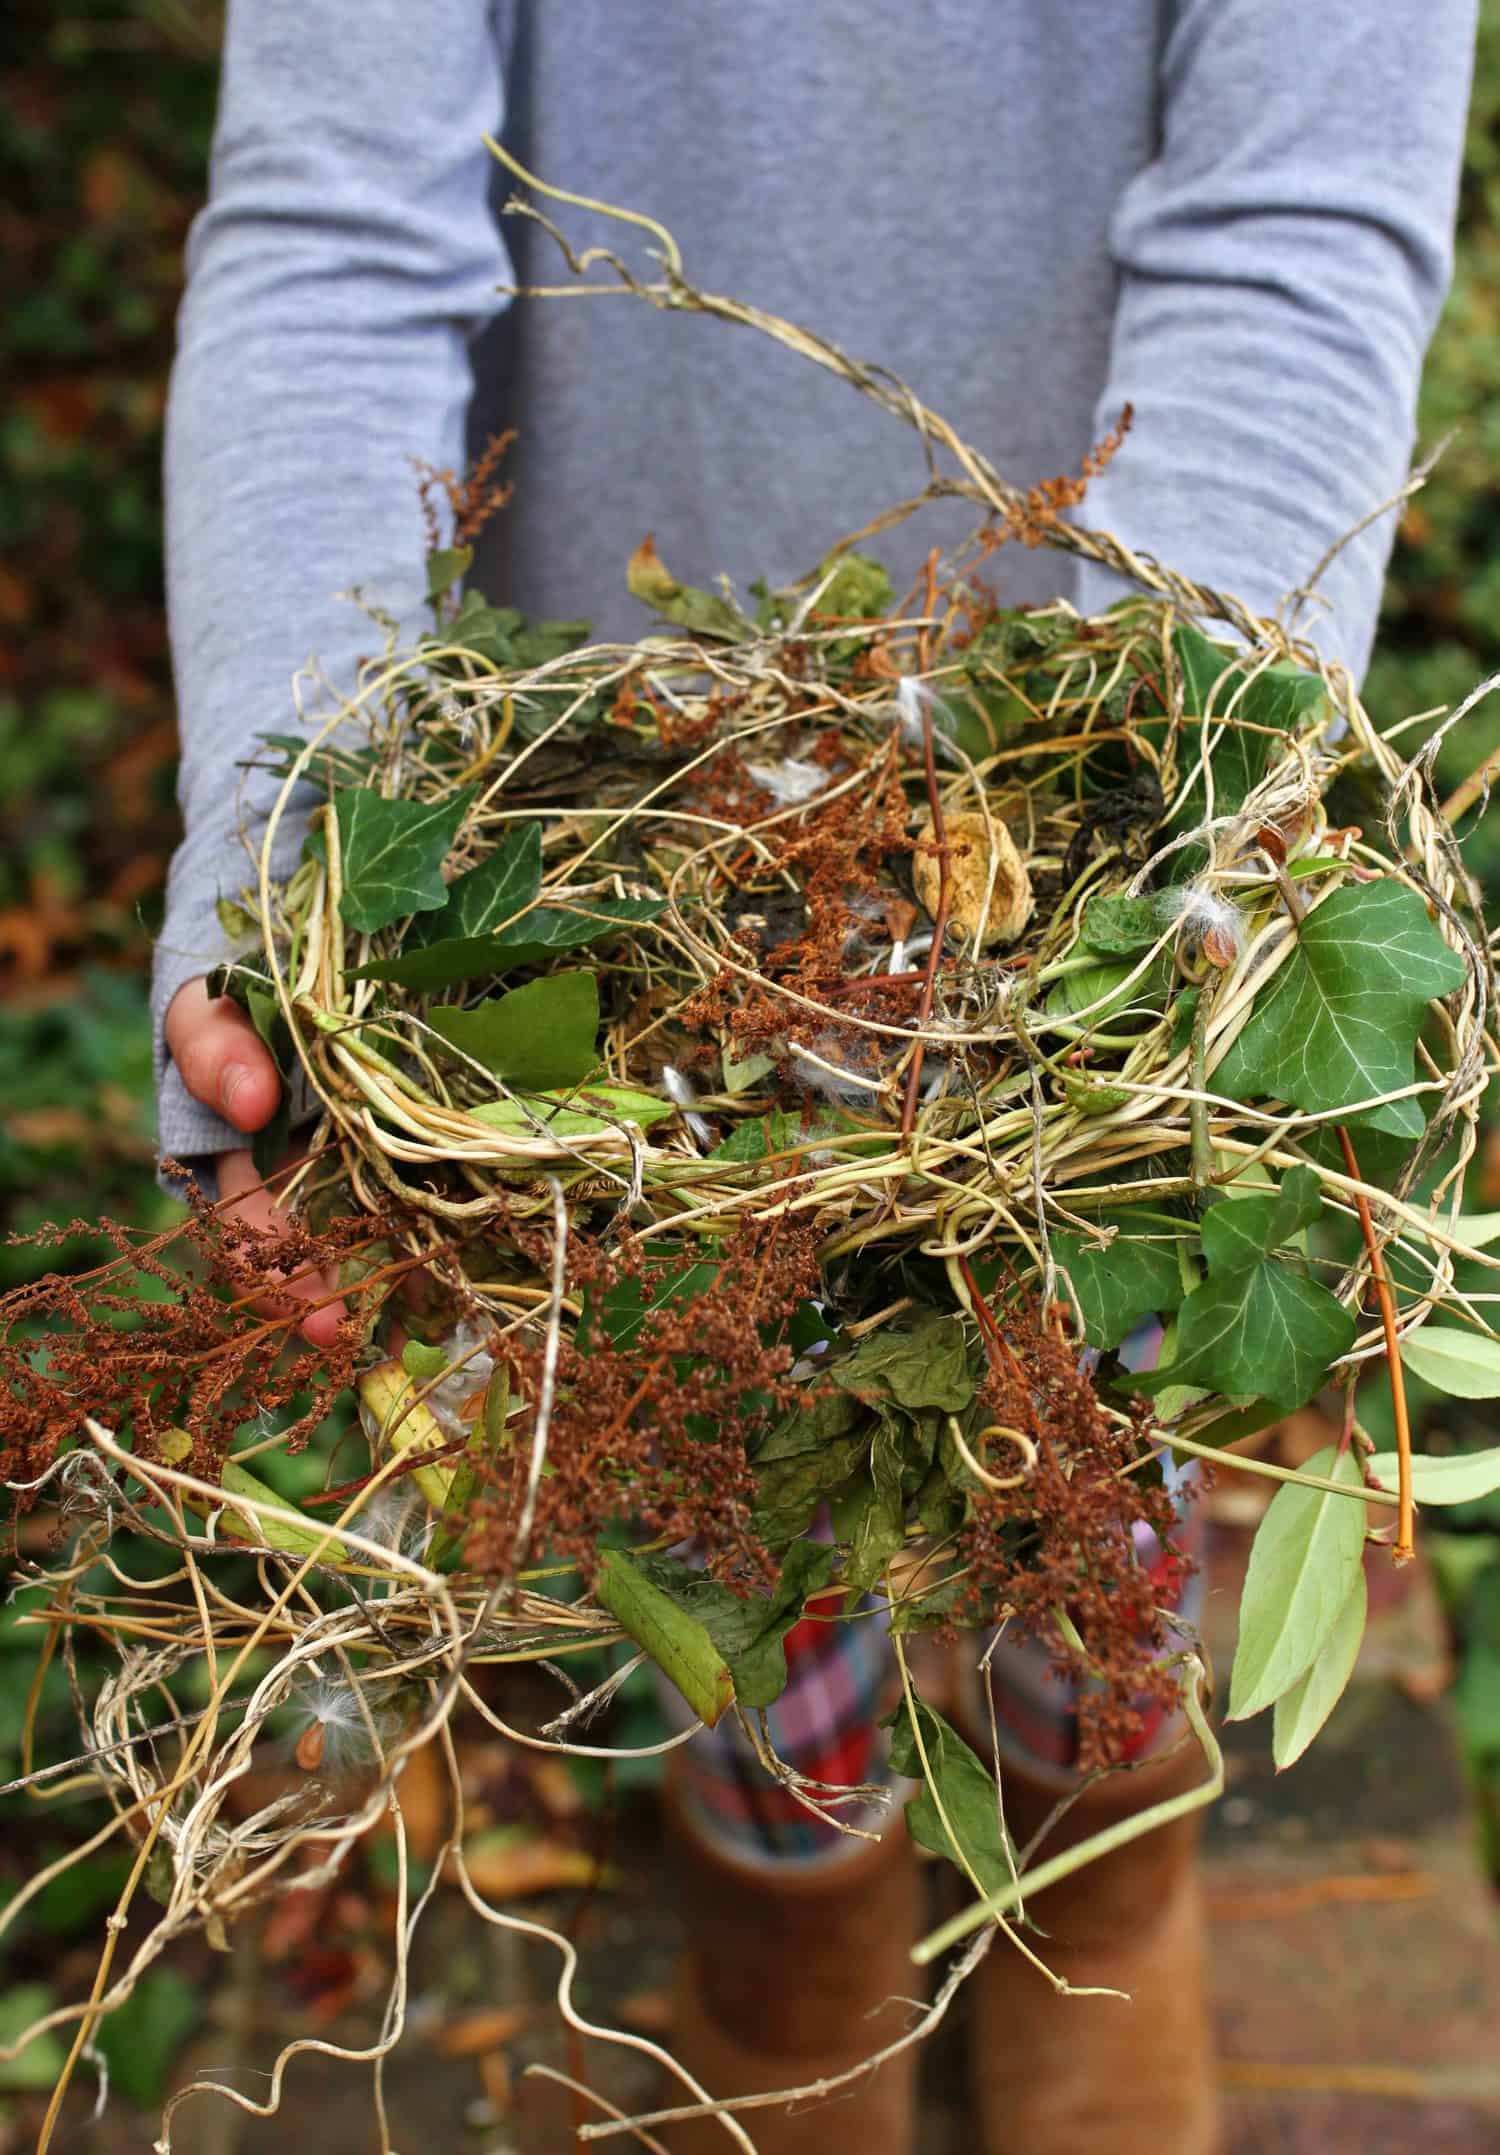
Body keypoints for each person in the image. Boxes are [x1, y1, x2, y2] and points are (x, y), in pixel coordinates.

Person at [153, 6, 1476, 2149]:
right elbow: (334, 230)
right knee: (712, 1443)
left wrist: (1125, 831)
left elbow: (1296, 236)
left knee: (1088, 1397)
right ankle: (793, 1948)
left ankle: (1101, 1889)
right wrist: (293, 855)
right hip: (592, 835)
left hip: (1095, 838)